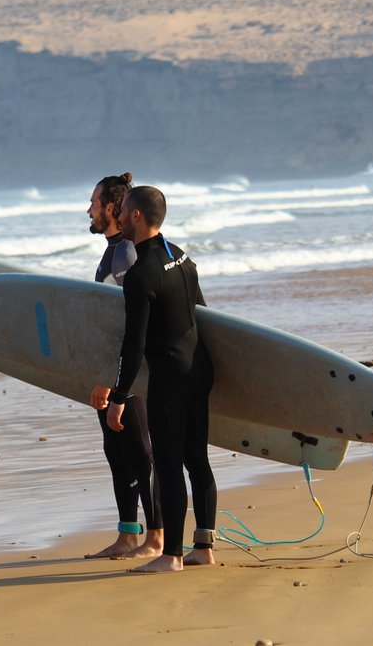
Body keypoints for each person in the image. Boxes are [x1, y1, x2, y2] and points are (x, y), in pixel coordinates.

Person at [101, 184, 217, 573]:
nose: (117, 218)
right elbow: (204, 315)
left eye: (123, 212)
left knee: (168, 465)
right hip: (199, 371)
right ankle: (204, 547)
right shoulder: (181, 257)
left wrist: (118, 398)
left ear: (135, 216)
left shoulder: (139, 276)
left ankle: (172, 557)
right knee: (197, 459)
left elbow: (132, 347)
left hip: (169, 380)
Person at [84, 173, 164, 560]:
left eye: (95, 203)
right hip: (112, 373)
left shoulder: (128, 256)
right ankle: (127, 534)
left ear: (114, 209)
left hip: (128, 376)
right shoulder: (113, 252)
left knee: (140, 453)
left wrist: (116, 381)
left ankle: (157, 537)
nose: (89, 210)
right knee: (117, 453)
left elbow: (132, 328)